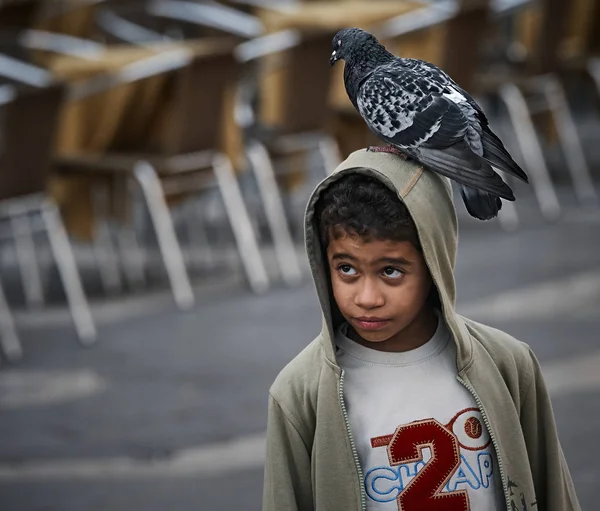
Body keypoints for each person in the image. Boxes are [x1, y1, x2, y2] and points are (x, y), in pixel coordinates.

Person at [262, 149, 580, 511]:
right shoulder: (299, 393)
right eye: (346, 269)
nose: (366, 298)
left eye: (391, 271)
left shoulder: (507, 363)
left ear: (434, 263)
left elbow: (554, 494)